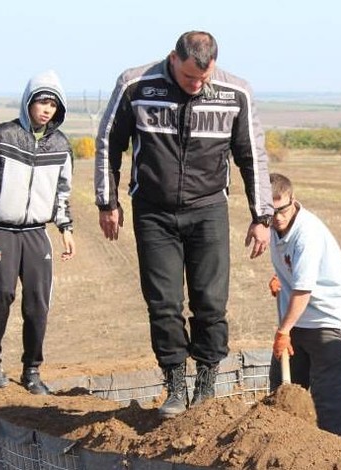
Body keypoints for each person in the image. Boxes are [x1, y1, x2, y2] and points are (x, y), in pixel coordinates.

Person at [94, 31, 273, 418]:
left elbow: (251, 155)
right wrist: (107, 202)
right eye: (190, 78)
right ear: (173, 58)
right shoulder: (135, 85)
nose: (197, 86)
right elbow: (109, 143)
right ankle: (175, 383)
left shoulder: (234, 92)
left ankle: (206, 382)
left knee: (210, 302)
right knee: (163, 304)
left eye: (203, 79)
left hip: (208, 209)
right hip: (153, 211)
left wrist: (262, 216)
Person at [0, 70, 75, 395]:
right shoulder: (3, 136)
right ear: (28, 102)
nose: (47, 109)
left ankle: (32, 370)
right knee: (1, 296)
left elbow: (63, 191)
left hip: (36, 233)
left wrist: (65, 227)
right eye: (41, 101)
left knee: (37, 303)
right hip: (1, 231)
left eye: (53, 103)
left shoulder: (62, 145)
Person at [267, 173, 341, 440]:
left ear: (293, 199)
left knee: (330, 402)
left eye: (282, 209)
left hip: (326, 321)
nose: (277, 217)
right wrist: (281, 274)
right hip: (298, 321)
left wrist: (284, 330)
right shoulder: (272, 225)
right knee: (282, 393)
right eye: (270, 212)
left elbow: (304, 289)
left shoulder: (308, 232)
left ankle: (336, 457)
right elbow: (293, 268)